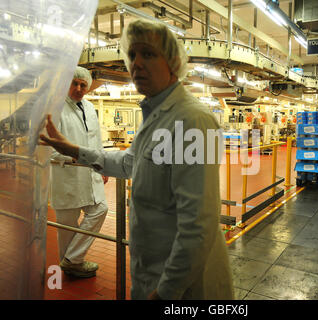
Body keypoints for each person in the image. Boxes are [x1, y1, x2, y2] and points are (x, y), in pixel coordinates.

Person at [40, 19, 234, 299]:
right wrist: (74, 150)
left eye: (149, 54)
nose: (137, 63)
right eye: (132, 55)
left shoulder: (191, 121)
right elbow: (130, 164)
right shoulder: (155, 116)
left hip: (185, 289)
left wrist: (165, 292)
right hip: (153, 275)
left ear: (173, 62)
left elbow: (198, 223)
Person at [49, 66, 108, 278]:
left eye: (83, 85)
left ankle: (71, 260)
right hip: (66, 176)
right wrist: (72, 157)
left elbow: (96, 139)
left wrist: (103, 164)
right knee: (67, 228)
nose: (79, 88)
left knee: (100, 208)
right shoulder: (54, 110)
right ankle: (73, 266)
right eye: (74, 83)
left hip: (89, 174)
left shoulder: (90, 108)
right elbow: (46, 150)